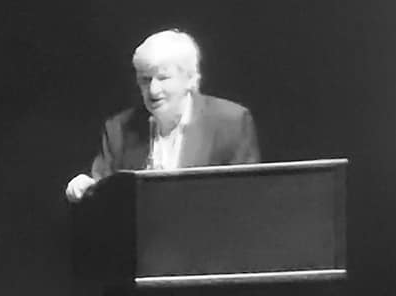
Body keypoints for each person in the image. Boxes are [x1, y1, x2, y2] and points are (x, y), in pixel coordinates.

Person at [65, 29, 260, 202]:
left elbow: (246, 198)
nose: (153, 90)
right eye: (145, 80)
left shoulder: (231, 122)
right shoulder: (119, 128)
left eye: (163, 78)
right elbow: (102, 189)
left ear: (190, 79)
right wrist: (85, 187)